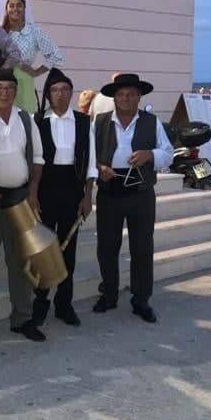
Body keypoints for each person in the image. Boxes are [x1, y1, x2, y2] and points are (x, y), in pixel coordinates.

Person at [0, 68, 47, 343]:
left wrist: (33, 192)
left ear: (15, 91)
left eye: (9, 87)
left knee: (20, 261)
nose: (4, 92)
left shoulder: (26, 119)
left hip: (20, 199)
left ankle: (22, 318)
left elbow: (37, 158)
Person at [93, 73, 173, 324]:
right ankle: (109, 294)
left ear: (139, 97)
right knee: (107, 246)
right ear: (114, 98)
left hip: (141, 192)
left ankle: (141, 299)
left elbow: (168, 154)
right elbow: (87, 155)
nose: (125, 98)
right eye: (120, 95)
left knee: (141, 247)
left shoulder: (152, 122)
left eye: (130, 94)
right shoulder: (100, 122)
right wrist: (98, 167)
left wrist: (149, 155)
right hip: (110, 189)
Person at [31, 69, 97, 328]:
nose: (60, 94)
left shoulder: (83, 122)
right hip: (46, 187)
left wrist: (88, 196)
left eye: (65, 90)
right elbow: (34, 160)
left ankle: (64, 304)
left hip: (72, 188)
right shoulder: (39, 122)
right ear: (48, 95)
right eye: (55, 90)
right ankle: (40, 303)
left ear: (71, 93)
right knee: (45, 249)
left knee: (68, 249)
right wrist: (33, 194)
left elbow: (91, 162)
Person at [2, 0, 64, 113]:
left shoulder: (34, 32)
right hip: (3, 84)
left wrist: (36, 71)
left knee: (26, 122)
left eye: (19, 5)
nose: (15, 9)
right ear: (7, 9)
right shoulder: (1, 32)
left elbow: (57, 56)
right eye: (12, 6)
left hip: (24, 82)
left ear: (25, 8)